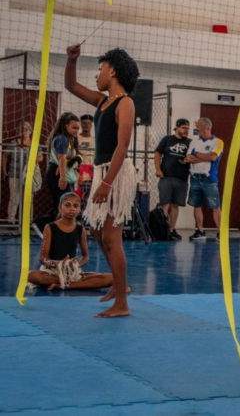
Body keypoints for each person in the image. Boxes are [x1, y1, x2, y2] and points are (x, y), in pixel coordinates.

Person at [65, 44, 138, 318]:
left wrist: (107, 183)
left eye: (100, 69)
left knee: (112, 237)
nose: (97, 74)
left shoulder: (125, 102)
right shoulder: (102, 101)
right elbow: (71, 85)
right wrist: (72, 60)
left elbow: (123, 145)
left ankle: (121, 303)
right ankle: (120, 286)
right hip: (101, 172)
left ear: (114, 71)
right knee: (96, 231)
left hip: (115, 174)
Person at [27, 192, 113, 290]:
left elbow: (85, 256)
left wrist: (76, 265)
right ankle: (67, 282)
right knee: (32, 276)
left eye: (75, 206)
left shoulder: (81, 229)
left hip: (72, 272)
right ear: (60, 208)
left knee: (111, 278)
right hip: (52, 271)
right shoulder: (50, 227)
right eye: (67, 205)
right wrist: (59, 265)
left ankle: (64, 285)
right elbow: (43, 259)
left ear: (79, 210)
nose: (72, 208)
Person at [186, 117, 225, 242]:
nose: (197, 130)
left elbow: (213, 157)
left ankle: (220, 232)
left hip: (209, 178)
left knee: (215, 205)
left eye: (199, 127)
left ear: (206, 127)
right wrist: (204, 157)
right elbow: (188, 158)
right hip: (194, 177)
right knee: (196, 205)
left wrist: (196, 154)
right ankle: (200, 230)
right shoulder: (194, 143)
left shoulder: (218, 142)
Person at [154, 118, 192, 240]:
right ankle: (162, 230)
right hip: (167, 176)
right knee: (165, 204)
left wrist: (189, 159)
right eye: (184, 128)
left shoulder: (190, 142)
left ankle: (171, 229)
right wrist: (158, 169)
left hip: (182, 178)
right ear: (177, 127)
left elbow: (193, 156)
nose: (186, 131)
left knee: (176, 205)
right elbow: (157, 154)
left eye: (187, 129)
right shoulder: (167, 140)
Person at [2, 122, 42, 220]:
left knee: (29, 198)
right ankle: (11, 220)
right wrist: (3, 170)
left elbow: (41, 157)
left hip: (29, 175)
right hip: (14, 173)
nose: (24, 132)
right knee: (14, 198)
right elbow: (5, 155)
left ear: (31, 131)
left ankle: (28, 220)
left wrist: (33, 159)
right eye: (22, 129)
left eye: (26, 129)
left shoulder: (34, 143)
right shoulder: (13, 143)